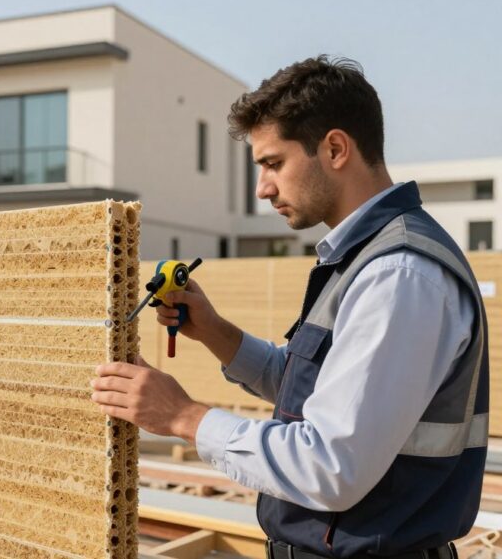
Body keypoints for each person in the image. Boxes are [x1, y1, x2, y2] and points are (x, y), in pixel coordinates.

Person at [91, 55, 488, 559]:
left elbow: (331, 465)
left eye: (274, 163)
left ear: (336, 148)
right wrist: (216, 332)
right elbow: (318, 391)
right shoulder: (362, 258)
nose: (263, 189)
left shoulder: (398, 274)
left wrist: (184, 417)